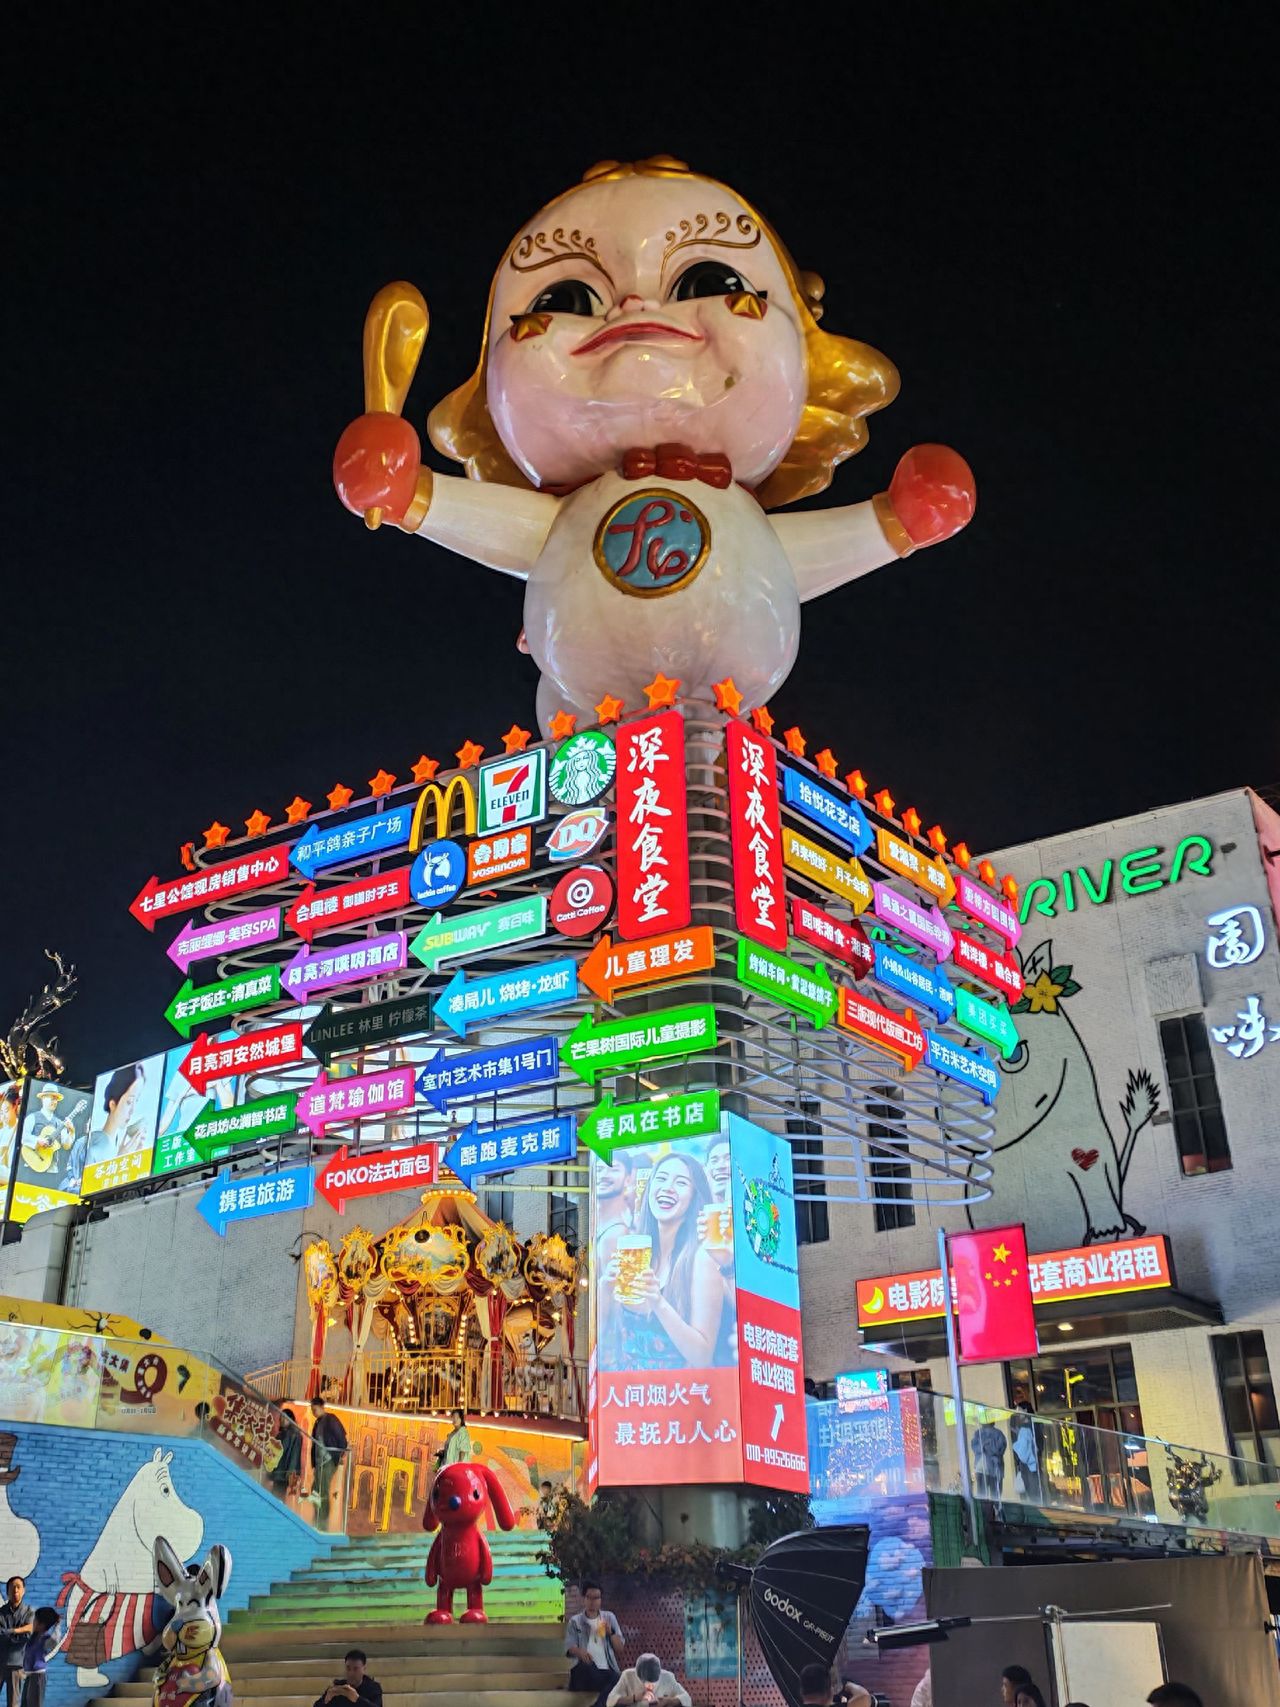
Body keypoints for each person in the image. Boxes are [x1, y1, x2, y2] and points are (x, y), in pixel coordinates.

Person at [600, 1153, 724, 1370]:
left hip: (678, 1395)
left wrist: (658, 1302)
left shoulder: (700, 1259)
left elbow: (703, 1356)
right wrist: (604, 1289)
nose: (668, 1187)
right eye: (661, 1178)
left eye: (681, 1182)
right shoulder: (633, 1252)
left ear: (695, 1196)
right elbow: (600, 1338)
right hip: (626, 1395)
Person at [565, 1581, 624, 1707]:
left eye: (596, 1598)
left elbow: (620, 1648)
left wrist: (611, 1632)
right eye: (589, 1597)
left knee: (619, 1677)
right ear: (583, 1599)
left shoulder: (609, 1617)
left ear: (601, 1600)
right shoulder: (575, 1621)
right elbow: (569, 1647)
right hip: (583, 1673)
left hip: (605, 1673)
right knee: (587, 1666)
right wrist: (579, 1651)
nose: (592, 1601)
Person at [309, 1397, 348, 1521]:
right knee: (315, 1489)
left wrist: (340, 1453)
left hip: (328, 1460)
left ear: (321, 1407)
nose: (313, 1412)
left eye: (315, 1409)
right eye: (312, 1409)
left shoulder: (331, 1419)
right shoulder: (317, 1423)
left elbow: (341, 1436)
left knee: (323, 1489)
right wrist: (314, 1464)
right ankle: (318, 1514)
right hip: (320, 1462)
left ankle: (322, 1519)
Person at [607, 1652, 690, 1707]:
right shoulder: (627, 1675)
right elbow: (610, 1700)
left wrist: (668, 1701)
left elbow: (686, 1698)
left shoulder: (667, 1677)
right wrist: (634, 1698)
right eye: (646, 1682)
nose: (650, 1686)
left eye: (653, 1682)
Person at [0, 1579, 33, 1707]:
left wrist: (9, 1632)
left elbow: (28, 1635)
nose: (15, 1590)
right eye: (12, 1588)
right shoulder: (1, 1612)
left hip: (17, 1664)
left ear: (23, 1590)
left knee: (13, 1703)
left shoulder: (29, 1612)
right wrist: (18, 1631)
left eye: (18, 1587)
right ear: (7, 1591)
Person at [312, 1650, 382, 1707]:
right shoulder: (338, 1687)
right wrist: (326, 1700)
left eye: (355, 1669)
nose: (351, 1673)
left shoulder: (373, 1688)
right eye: (348, 1668)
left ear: (364, 1669)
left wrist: (357, 1699)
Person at [17, 1611, 59, 1707]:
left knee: (34, 1704)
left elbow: (55, 1641)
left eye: (35, 1620)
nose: (33, 1622)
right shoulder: (33, 1637)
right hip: (29, 1676)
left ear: (42, 1625)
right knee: (25, 1703)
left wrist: (57, 1626)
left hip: (37, 1676)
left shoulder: (45, 1639)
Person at [270, 1406, 303, 1497]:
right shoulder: (282, 1434)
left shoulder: (294, 1434)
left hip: (284, 1472)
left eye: (285, 1418)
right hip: (279, 1471)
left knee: (278, 1496)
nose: (282, 1420)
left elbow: (294, 1456)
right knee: (276, 1496)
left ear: (291, 1419)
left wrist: (290, 1474)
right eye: (281, 1417)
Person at [972, 1419, 1008, 1500]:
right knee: (990, 1496)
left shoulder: (997, 1433)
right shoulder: (978, 1433)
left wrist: (985, 1446)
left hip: (992, 1468)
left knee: (990, 1496)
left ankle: (992, 1511)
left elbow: (1000, 1449)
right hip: (984, 1468)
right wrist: (984, 1445)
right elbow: (974, 1447)